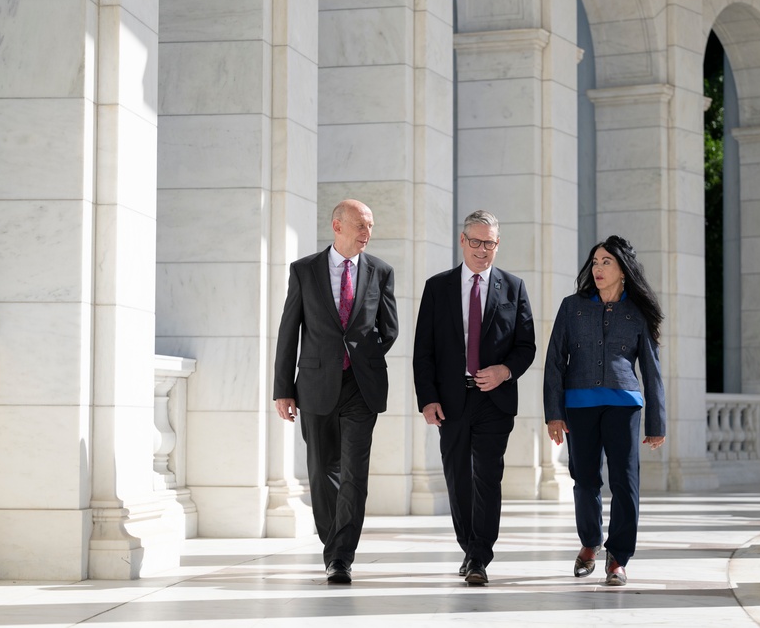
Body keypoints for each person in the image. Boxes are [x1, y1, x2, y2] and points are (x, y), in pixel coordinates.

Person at [273, 199, 398, 584]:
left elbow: (388, 327)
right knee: (321, 469)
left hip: (361, 386)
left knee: (354, 474)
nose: (367, 233)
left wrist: (364, 355)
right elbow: (288, 329)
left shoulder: (380, 271)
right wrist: (283, 388)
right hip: (314, 384)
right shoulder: (305, 270)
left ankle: (341, 556)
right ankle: (333, 545)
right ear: (337, 226)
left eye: (370, 226)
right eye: (360, 225)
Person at [413, 210, 536, 586]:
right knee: (457, 478)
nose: (484, 250)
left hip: (493, 400)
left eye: (491, 243)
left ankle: (480, 554)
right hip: (450, 400)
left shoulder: (513, 287)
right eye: (478, 242)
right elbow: (424, 351)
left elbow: (526, 346)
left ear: (498, 245)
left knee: (487, 476)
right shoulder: (438, 287)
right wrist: (427, 399)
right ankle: (469, 547)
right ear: (463, 241)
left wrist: (504, 371)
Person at [543, 235, 666, 586]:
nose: (598, 269)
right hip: (579, 404)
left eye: (606, 262)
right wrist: (554, 412)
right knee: (584, 481)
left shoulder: (637, 313)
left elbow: (652, 369)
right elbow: (554, 361)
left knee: (625, 482)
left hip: (624, 405)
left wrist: (656, 422)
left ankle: (619, 558)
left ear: (623, 270)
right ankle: (590, 542)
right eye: (595, 262)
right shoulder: (572, 307)